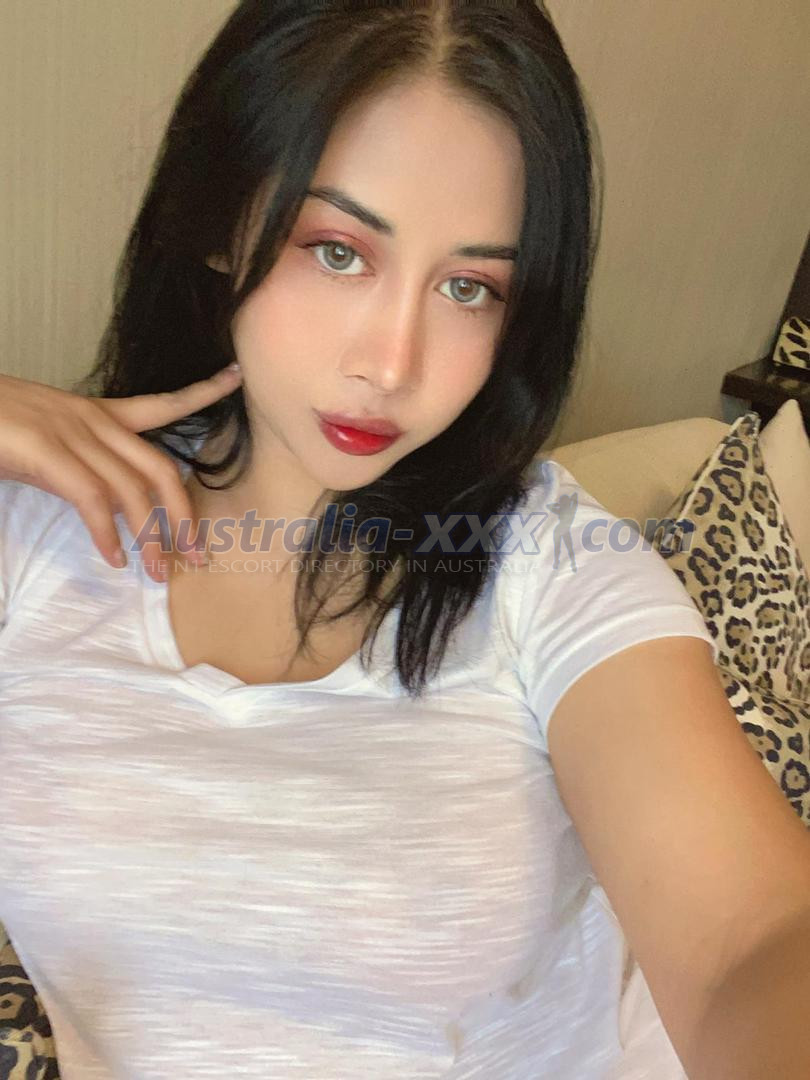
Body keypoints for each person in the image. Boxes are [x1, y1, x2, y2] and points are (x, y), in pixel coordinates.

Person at [1, 2, 809, 1077]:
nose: (393, 363)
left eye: (470, 288)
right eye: (338, 251)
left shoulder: (557, 561)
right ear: (221, 218)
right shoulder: (35, 525)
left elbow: (751, 941)